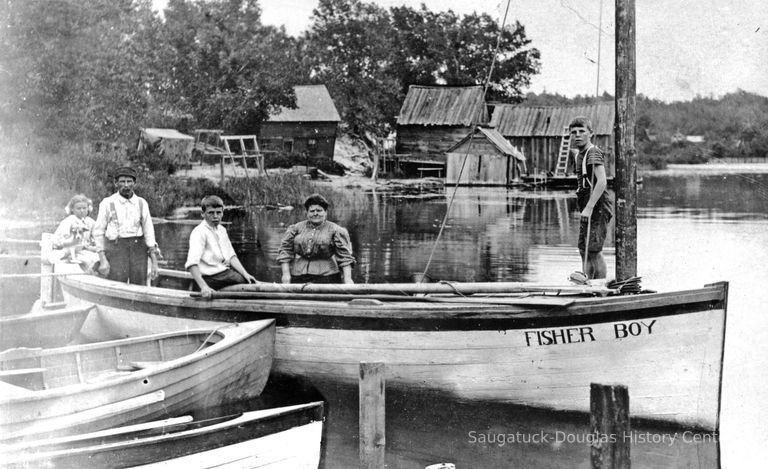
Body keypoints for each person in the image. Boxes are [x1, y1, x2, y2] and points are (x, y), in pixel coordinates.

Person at [93, 166, 160, 284]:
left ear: (134, 183)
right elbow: (98, 232)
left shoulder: (141, 203)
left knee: (140, 286)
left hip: (138, 249)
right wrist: (103, 259)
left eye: (129, 181)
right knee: (116, 284)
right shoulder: (107, 203)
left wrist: (154, 262)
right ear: (116, 183)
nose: (126, 185)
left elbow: (149, 232)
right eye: (122, 181)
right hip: (116, 249)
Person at [185, 195, 258, 296]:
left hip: (223, 274)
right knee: (243, 282)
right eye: (211, 213)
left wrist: (245, 273)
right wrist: (204, 287)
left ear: (223, 213)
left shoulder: (222, 230)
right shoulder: (199, 232)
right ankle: (199, 288)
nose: (215, 216)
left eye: (218, 212)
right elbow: (191, 264)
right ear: (203, 214)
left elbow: (231, 256)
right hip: (209, 278)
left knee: (247, 279)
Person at [570, 116, 614, 279]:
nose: (578, 135)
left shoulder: (593, 152)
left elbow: (601, 181)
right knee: (584, 249)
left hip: (598, 207)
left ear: (591, 133)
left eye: (582, 131)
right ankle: (586, 285)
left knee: (594, 250)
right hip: (586, 205)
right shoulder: (578, 155)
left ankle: (600, 287)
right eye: (574, 132)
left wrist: (589, 208)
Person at [277, 193, 355, 284]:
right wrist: (286, 275)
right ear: (307, 213)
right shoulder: (295, 228)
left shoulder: (336, 230)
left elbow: (345, 257)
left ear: (325, 212)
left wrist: (348, 279)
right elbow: (285, 251)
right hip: (298, 275)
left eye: (319, 210)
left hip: (327, 277)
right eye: (312, 211)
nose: (315, 214)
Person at [50, 194, 100, 272]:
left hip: (83, 250)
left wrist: (92, 246)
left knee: (97, 257)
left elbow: (97, 236)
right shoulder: (68, 221)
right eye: (78, 208)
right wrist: (74, 243)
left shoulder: (90, 222)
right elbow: (60, 242)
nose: (82, 211)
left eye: (84, 208)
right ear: (72, 209)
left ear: (88, 209)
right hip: (68, 250)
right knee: (88, 260)